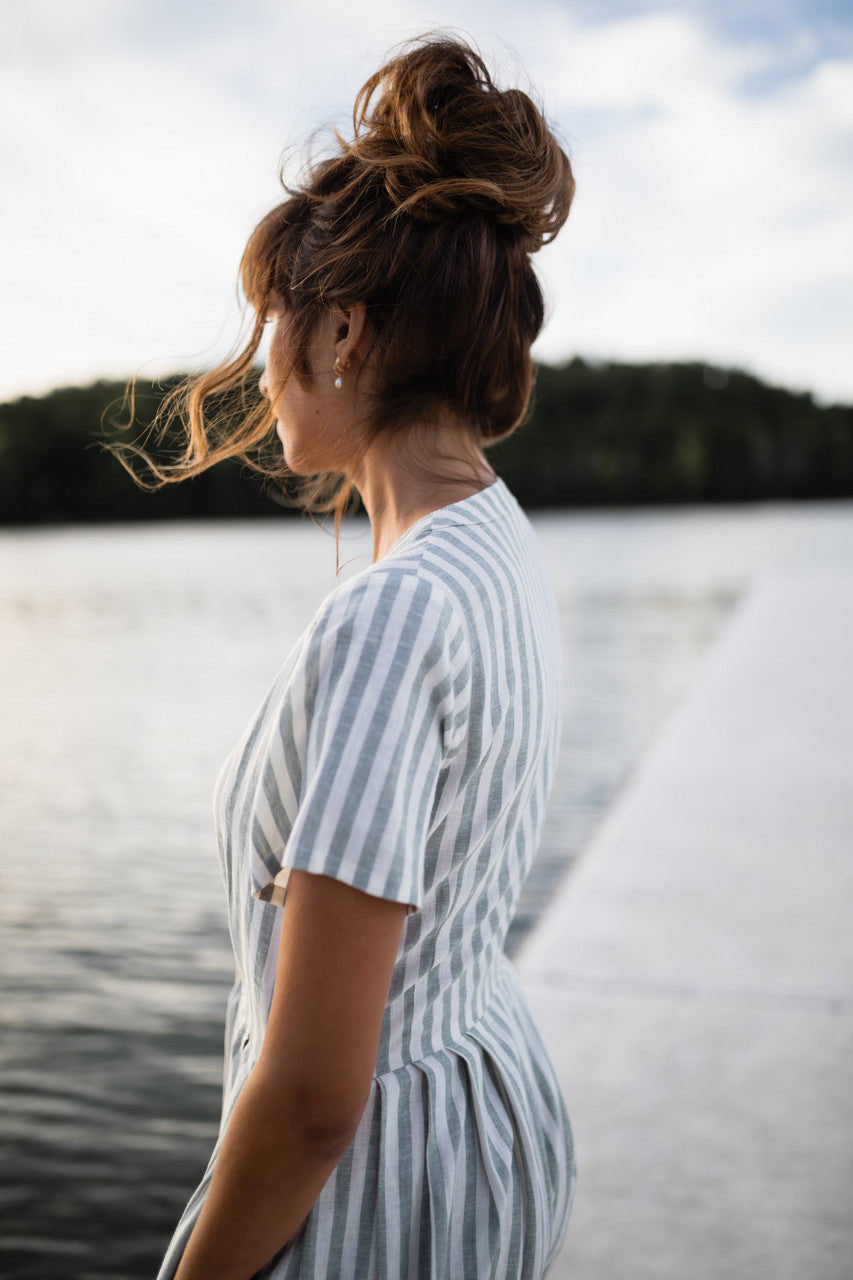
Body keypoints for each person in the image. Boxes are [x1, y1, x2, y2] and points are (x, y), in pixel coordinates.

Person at [149, 33, 576, 1280]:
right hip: (487, 1120)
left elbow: (314, 1098)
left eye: (271, 320)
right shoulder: (493, 536)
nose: (263, 364)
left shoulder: (392, 615)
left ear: (340, 330)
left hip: (384, 1196)